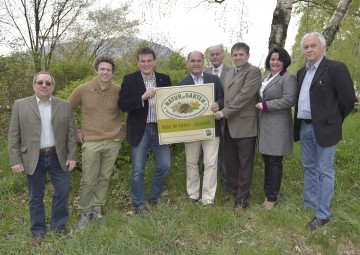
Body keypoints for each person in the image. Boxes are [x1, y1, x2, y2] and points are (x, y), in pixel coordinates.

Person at [294, 32, 356, 230]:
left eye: (313, 46)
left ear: (322, 48)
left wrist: (333, 120)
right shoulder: (301, 72)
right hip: (305, 127)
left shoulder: (336, 68)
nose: (309, 50)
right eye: (306, 47)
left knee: (325, 171)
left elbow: (347, 100)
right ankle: (309, 204)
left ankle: (323, 214)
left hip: (326, 129)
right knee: (309, 168)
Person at [8, 71, 77, 245]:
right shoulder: (20, 105)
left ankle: (58, 228)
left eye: (48, 83)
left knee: (62, 191)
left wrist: (72, 156)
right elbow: (13, 135)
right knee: (35, 196)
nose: (44, 85)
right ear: (34, 85)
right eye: (40, 82)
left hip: (57, 156)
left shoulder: (65, 105)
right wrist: (15, 160)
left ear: (53, 86)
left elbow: (71, 133)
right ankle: (38, 231)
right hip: (32, 157)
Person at [68, 56, 123, 228]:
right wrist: (76, 130)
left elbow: (131, 109)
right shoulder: (83, 89)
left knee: (104, 177)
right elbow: (66, 108)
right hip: (91, 141)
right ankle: (85, 211)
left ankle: (97, 209)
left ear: (112, 72)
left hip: (113, 141)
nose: (105, 72)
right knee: (88, 178)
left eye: (108, 70)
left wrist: (124, 130)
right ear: (97, 70)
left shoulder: (119, 90)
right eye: (102, 69)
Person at [118, 47, 171, 215]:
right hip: (140, 129)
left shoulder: (164, 79)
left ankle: (154, 197)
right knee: (138, 170)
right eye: (143, 61)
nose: (146, 64)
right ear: (138, 62)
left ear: (154, 61)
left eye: (149, 61)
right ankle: (138, 204)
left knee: (164, 165)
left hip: (160, 129)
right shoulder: (129, 79)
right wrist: (141, 97)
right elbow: (122, 104)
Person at [214, 42, 262, 214]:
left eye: (241, 54)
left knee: (244, 164)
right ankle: (235, 193)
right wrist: (216, 107)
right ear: (231, 56)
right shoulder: (228, 73)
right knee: (231, 163)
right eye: (235, 55)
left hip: (245, 126)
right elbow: (223, 97)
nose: (238, 57)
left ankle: (242, 200)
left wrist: (223, 112)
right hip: (228, 125)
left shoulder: (253, 71)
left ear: (248, 56)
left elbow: (244, 97)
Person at [178, 51, 224, 207]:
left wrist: (219, 104)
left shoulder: (214, 80)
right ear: (188, 63)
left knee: (211, 163)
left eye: (199, 60)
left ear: (204, 62)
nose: (196, 63)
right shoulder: (181, 84)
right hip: (191, 131)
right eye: (192, 61)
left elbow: (222, 98)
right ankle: (193, 194)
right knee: (191, 163)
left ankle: (208, 199)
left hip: (211, 128)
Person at [255, 47, 296, 210]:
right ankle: (268, 193)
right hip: (265, 124)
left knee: (274, 161)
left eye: (279, 59)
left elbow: (289, 100)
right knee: (268, 159)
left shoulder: (288, 78)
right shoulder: (267, 77)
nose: (275, 62)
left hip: (278, 126)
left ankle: (271, 198)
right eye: (272, 59)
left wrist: (265, 105)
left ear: (284, 61)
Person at [204, 44, 231, 190]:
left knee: (226, 151)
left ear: (223, 55)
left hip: (227, 118)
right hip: (207, 120)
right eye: (212, 54)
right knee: (207, 152)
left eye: (217, 54)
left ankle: (226, 183)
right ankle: (208, 181)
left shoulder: (232, 72)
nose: (214, 56)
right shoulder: (203, 73)